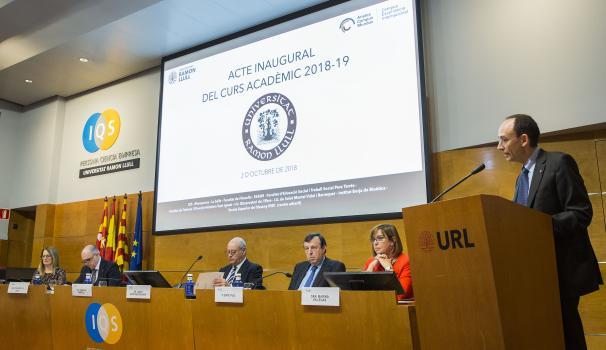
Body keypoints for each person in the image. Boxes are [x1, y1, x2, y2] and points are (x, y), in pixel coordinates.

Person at [497, 114, 602, 350]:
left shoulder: (558, 163)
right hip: (534, 274)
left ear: (523, 139)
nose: (499, 146)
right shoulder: (521, 178)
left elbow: (581, 212)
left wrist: (538, 227)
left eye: (504, 139)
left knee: (568, 335)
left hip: (561, 271)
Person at [363, 224, 413, 300]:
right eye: (373, 239)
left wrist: (388, 268)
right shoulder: (371, 262)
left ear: (392, 241)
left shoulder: (406, 261)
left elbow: (399, 295)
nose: (375, 243)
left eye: (380, 238)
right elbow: (362, 294)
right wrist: (370, 268)